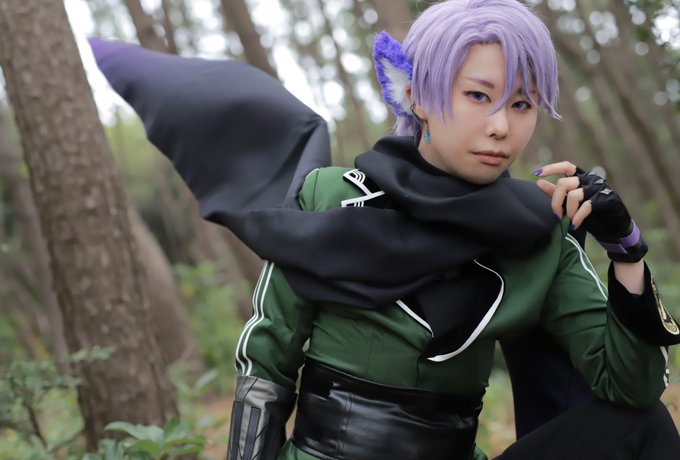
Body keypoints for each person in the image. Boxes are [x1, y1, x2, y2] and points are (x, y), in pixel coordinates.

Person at [88, 1, 679, 459]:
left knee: (642, 426)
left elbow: (629, 388)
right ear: (416, 95)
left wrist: (626, 251)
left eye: (521, 104)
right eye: (478, 95)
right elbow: (267, 363)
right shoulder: (330, 196)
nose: (501, 126)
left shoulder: (538, 233)